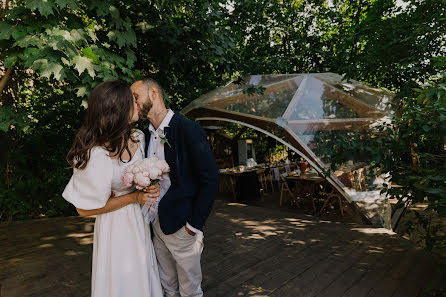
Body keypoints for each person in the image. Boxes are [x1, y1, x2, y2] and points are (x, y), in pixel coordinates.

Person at [62, 80, 163, 297]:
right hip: (114, 227)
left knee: (143, 273)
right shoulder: (95, 153)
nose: (137, 104)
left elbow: (138, 179)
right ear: (118, 109)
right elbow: (84, 210)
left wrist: (148, 188)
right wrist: (134, 198)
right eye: (132, 101)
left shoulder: (138, 137)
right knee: (121, 280)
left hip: (139, 221)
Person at [131, 78, 218, 297]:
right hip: (155, 224)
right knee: (167, 286)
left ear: (153, 93)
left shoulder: (188, 129)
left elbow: (210, 180)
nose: (133, 103)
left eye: (135, 97)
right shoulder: (145, 135)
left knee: (190, 290)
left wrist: (193, 225)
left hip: (182, 226)